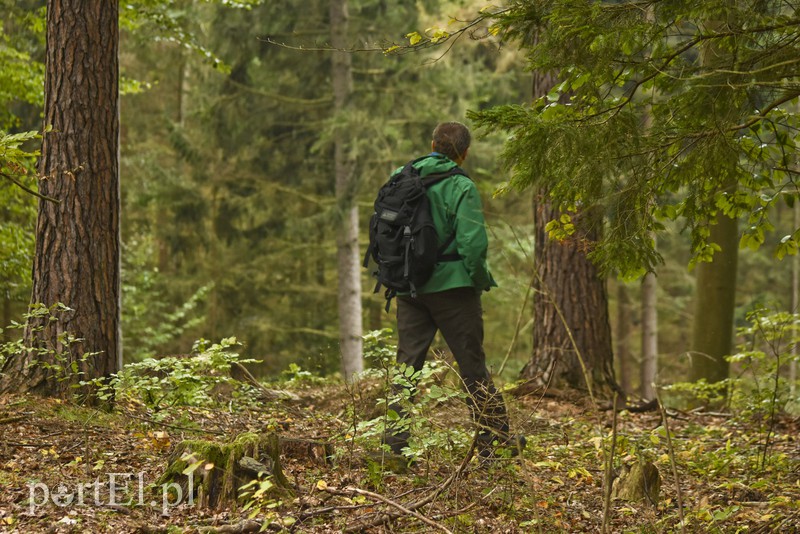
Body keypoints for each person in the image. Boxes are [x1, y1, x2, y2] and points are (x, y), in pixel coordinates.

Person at [382, 121, 523, 461]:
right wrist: (478, 280)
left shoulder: (404, 176)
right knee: (472, 365)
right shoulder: (461, 185)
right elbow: (472, 244)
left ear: (432, 143)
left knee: (406, 366)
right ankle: (494, 444)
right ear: (464, 154)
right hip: (454, 288)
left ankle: (393, 447)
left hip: (409, 285)